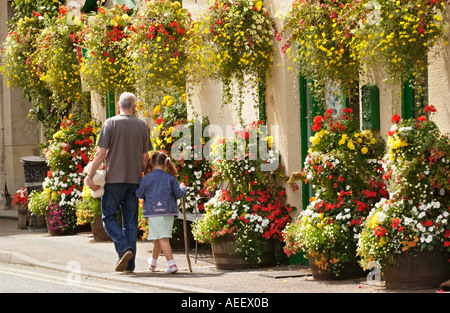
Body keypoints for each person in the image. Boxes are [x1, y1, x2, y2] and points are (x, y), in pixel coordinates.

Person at [85, 92, 150, 273]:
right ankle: (129, 265)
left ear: (118, 104)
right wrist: (146, 178)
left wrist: (90, 175)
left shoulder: (110, 123)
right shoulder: (141, 126)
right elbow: (145, 158)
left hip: (114, 180)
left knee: (108, 217)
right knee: (130, 224)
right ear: (134, 107)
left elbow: (101, 153)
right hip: (134, 181)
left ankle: (123, 249)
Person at [136, 152, 186, 274]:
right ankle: (152, 263)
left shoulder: (146, 178)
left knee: (162, 238)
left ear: (151, 163)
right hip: (168, 212)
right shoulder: (170, 178)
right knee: (159, 238)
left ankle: (172, 264)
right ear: (165, 164)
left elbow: (139, 194)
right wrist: (183, 187)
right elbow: (179, 194)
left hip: (154, 212)